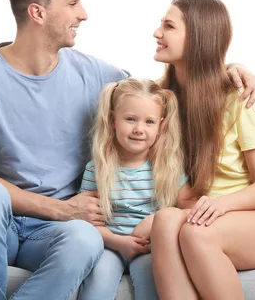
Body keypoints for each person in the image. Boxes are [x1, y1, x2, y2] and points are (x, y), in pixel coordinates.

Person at [0, 0, 255, 300]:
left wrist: (230, 69)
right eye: (73, 3)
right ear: (38, 12)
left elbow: (153, 98)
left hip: (56, 232)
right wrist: (62, 209)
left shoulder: (97, 76)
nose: (83, 13)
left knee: (85, 239)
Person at [151, 0, 255, 300]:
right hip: (200, 214)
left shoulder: (240, 96)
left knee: (196, 233)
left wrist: (219, 204)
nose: (157, 33)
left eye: (168, 26)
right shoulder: (159, 97)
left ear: (198, 39)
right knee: (165, 220)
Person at [77, 78, 192, 300]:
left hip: (149, 250)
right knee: (97, 284)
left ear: (161, 125)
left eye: (149, 122)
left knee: (153, 285)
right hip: (110, 246)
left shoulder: (168, 168)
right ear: (113, 120)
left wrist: (156, 221)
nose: (139, 129)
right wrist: (118, 242)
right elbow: (87, 221)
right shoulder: (98, 168)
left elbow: (190, 209)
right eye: (130, 119)